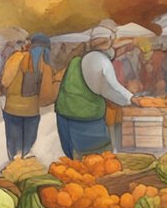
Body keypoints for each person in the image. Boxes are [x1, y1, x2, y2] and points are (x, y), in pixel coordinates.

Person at [54, 26, 140, 159]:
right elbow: (110, 87)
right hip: (84, 119)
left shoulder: (77, 60)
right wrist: (131, 98)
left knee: (73, 159)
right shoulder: (98, 60)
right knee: (97, 160)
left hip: (64, 114)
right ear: (109, 41)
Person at [1, 34, 54, 160]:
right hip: (32, 111)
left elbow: (5, 81)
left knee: (14, 147)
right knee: (27, 147)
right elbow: (47, 93)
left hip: (12, 109)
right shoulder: (45, 64)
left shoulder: (16, 57)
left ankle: (13, 169)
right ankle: (25, 167)